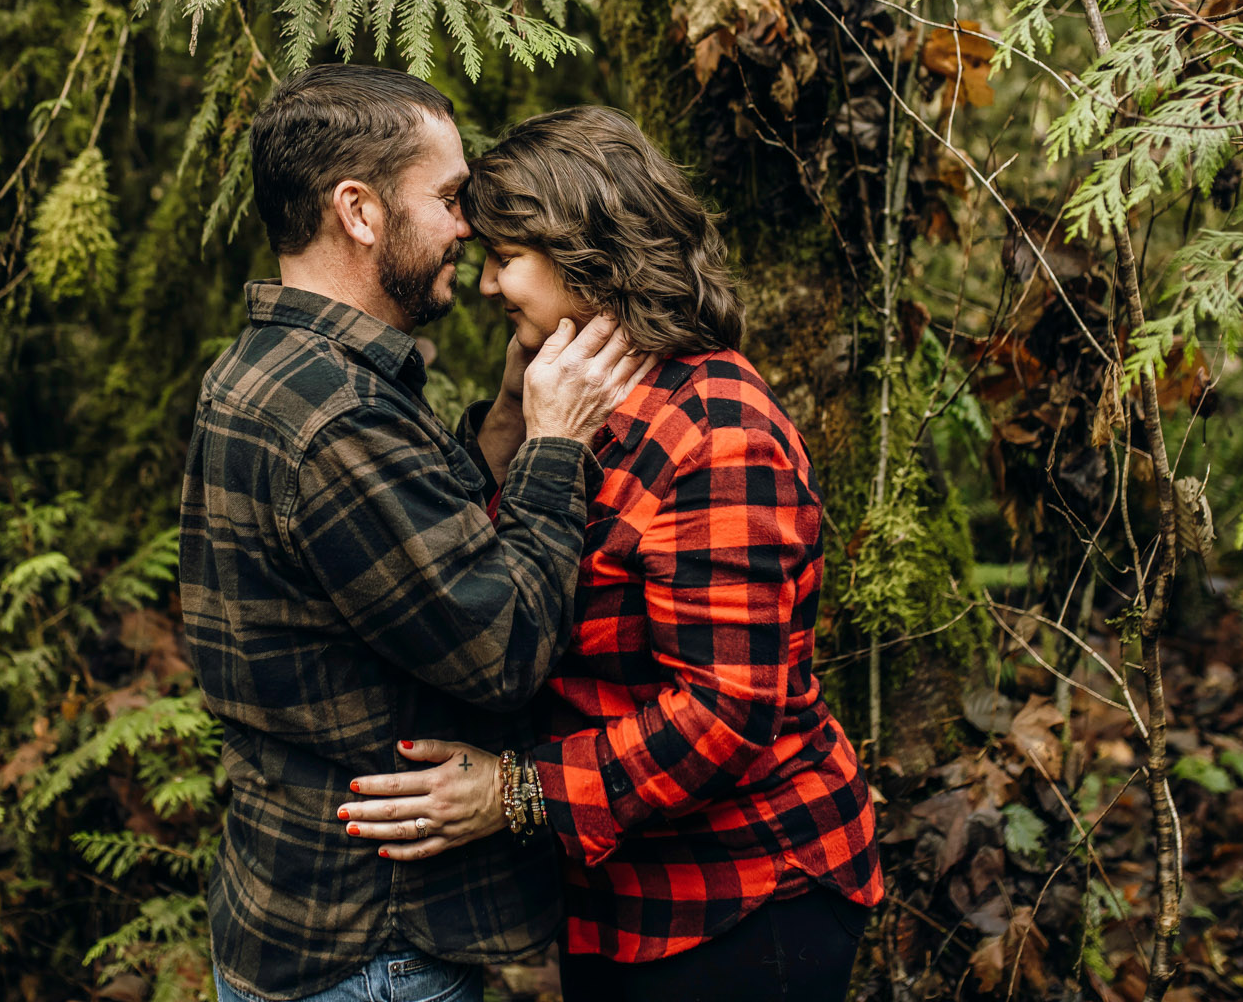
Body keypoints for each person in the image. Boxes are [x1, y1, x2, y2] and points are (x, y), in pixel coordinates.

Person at [338, 106, 884, 1002]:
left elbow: (726, 710)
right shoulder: (572, 405)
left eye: (505, 259)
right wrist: (515, 422)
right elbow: (499, 582)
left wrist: (512, 793)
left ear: (589, 257)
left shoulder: (717, 430)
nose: (484, 287)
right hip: (618, 899)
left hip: (745, 898)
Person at [179, 69, 649, 1002]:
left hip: (303, 912)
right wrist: (558, 447)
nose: (467, 224)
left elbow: (430, 545)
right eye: (445, 197)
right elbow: (503, 643)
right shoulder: (335, 418)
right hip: (373, 947)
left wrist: (515, 410)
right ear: (358, 210)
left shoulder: (281, 370)